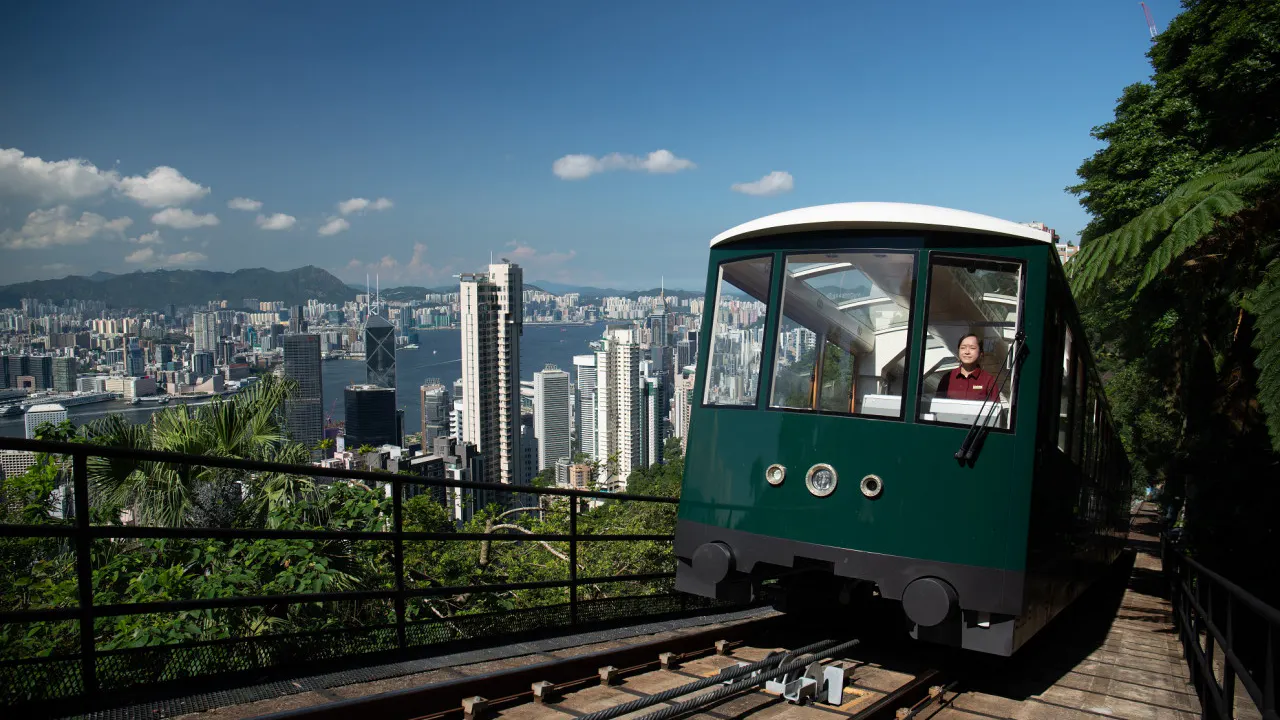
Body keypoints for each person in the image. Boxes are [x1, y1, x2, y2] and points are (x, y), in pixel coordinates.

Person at [936, 333, 997, 401]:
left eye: (972, 348)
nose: (967, 352)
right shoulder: (947, 378)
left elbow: (995, 408)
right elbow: (937, 405)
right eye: (963, 348)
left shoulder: (988, 380)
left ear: (981, 353)